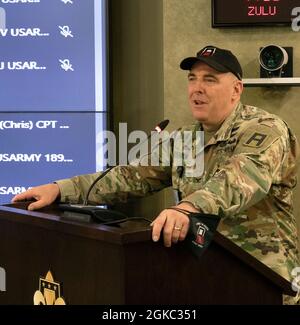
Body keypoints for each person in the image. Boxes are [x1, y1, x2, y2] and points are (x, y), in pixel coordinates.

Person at [13, 45, 299, 298]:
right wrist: (61, 188)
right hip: (210, 278)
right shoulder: (186, 139)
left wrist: (187, 208)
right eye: (192, 79)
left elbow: (239, 180)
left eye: (209, 80)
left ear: (236, 90)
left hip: (266, 281)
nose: (196, 88)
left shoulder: (265, 130)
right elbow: (130, 176)